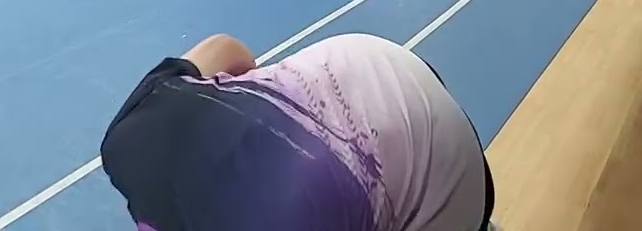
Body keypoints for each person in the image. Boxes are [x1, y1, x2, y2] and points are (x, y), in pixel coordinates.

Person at [101, 32, 501, 231]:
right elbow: (227, 48)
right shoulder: (124, 139)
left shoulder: (287, 216)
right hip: (356, 58)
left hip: (433, 152)